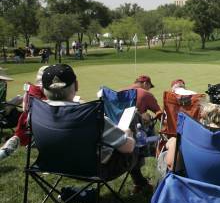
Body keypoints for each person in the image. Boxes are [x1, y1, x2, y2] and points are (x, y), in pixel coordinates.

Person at [36, 64, 151, 192]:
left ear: (43, 89)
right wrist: (128, 133)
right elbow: (128, 147)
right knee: (134, 121)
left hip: (52, 165)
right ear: (77, 85)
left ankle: (140, 182)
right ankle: (140, 182)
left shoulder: (35, 111)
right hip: (96, 169)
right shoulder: (91, 115)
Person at [0, 66, 47, 162]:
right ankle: (32, 141)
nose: (3, 82)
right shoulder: (2, 86)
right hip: (37, 124)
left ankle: (18, 141)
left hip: (24, 123)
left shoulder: (30, 88)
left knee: (19, 108)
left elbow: (25, 106)